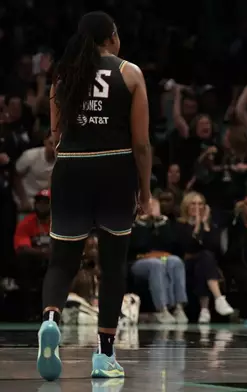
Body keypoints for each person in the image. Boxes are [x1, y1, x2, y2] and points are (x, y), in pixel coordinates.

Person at [37, 11, 152, 381]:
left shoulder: (63, 76)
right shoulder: (129, 73)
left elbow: (54, 140)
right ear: (113, 37)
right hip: (115, 170)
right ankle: (104, 355)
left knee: (61, 262)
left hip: (71, 169)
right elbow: (141, 143)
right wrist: (145, 190)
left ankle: (51, 318)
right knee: (112, 265)